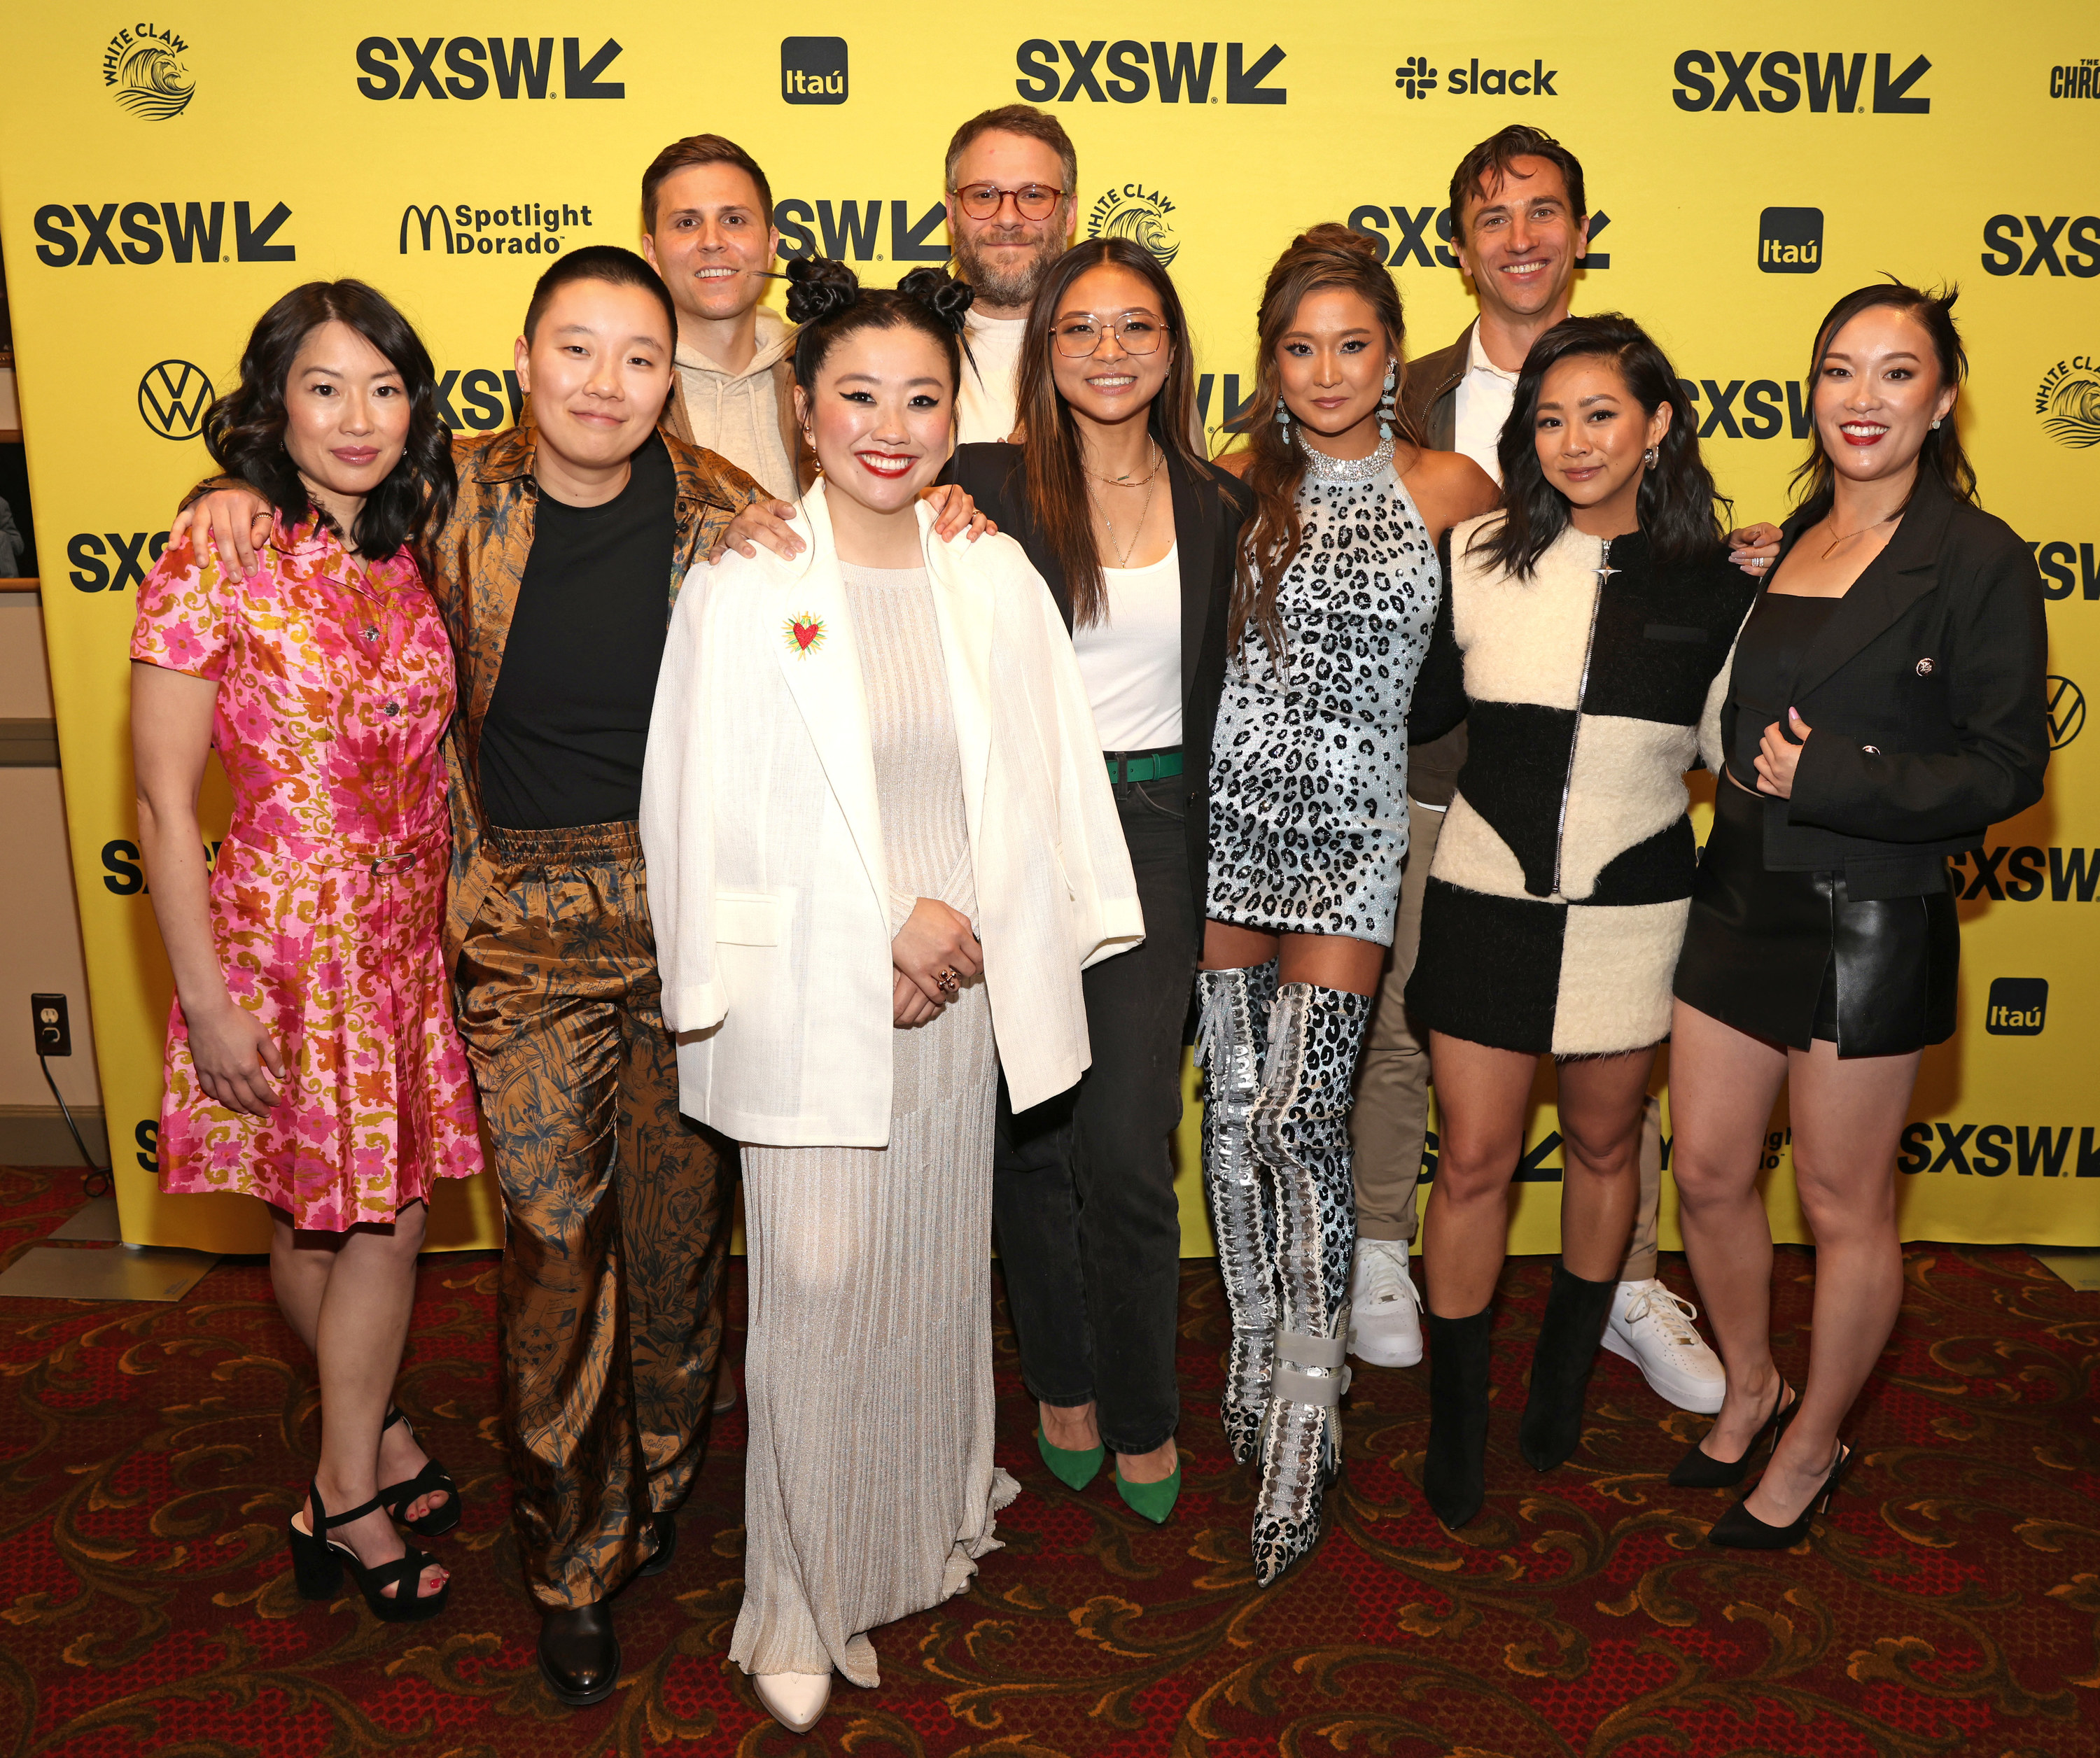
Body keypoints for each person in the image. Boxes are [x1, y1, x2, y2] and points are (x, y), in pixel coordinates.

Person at [174, 247, 771, 1707]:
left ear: (669, 376)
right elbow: (296, 499)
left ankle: (656, 1479)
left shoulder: (732, 516)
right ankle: (569, 1558)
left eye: (640, 358)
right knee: (558, 1249)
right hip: (516, 928)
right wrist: (224, 490)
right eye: (578, 350)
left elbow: (859, 609)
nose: (607, 384)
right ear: (523, 356)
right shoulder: (449, 501)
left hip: (694, 923)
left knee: (685, 1253)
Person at [640, 259, 1139, 1734]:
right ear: (804, 406)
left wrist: (970, 926)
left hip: (965, 986)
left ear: (956, 413)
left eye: (923, 396)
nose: (891, 423)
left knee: (926, 1273)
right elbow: (704, 811)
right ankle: (796, 1588)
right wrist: (879, 928)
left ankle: (918, 1523)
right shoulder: (743, 580)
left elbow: (1043, 776)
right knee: (810, 1288)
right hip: (814, 986)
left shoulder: (988, 567)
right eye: (858, 393)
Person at [1353, 125, 1730, 1414]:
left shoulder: (1625, 379)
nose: (1519, 236)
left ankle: (1621, 1279)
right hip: (1438, 787)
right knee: (1414, 1045)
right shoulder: (1394, 393)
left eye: (1544, 212)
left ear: (1579, 232)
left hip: (1615, 811)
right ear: (1458, 245)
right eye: (1492, 216)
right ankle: (1378, 1253)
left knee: (1612, 1090)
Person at [1669, 283, 2047, 1547]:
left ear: (1941, 400)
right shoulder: (1784, 545)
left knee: (1843, 1203)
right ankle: (1753, 1380)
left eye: (1898, 374)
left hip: (1869, 910)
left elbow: (2008, 770)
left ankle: (1817, 1437)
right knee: (1712, 1172)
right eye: (1841, 370)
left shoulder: (1977, 556)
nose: (1864, 399)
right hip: (1737, 891)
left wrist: (1829, 775)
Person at [132, 281, 478, 1623]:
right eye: (325, 387)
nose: (356, 417)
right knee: (335, 1218)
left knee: (369, 1220)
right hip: (282, 943)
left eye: (384, 388)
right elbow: (164, 805)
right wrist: (208, 1004)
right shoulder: (215, 553)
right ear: (275, 402)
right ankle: (344, 1491)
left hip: (401, 939)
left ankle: (363, 1435)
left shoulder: (411, 546)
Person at [1403, 314, 1760, 1532]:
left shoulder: (1722, 585)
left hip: (1635, 907)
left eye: (1601, 413)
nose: (1573, 439)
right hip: (1482, 894)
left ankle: (1559, 1378)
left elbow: (1733, 750)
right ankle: (1456, 1424)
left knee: (1611, 1151)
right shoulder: (1478, 550)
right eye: (1548, 418)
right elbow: (1409, 708)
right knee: (1474, 1162)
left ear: (1658, 426)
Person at [1200, 224, 1497, 1583]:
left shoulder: (1451, 485)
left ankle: (1311, 1402)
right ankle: (1256, 1349)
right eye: (1300, 346)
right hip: (1230, 823)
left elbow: (1563, 606)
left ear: (1393, 356)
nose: (1325, 370)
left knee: (1299, 1113)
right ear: (1270, 361)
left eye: (1353, 344)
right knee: (1228, 1116)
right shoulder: (1222, 487)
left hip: (1356, 830)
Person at [944, 238, 1249, 1525]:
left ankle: (1141, 1404)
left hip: (1163, 827)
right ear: (1044, 350)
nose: (1109, 351)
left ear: (1173, 350)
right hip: (1014, 828)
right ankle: (1059, 1381)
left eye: (1136, 327)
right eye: (1081, 328)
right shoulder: (975, 486)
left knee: (1126, 1139)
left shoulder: (1222, 502)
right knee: (1029, 1127)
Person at [640, 132, 815, 498]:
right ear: (652, 253)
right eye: (687, 223)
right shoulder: (612, 390)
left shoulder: (825, 369)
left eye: (734, 220)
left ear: (771, 244)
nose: (712, 240)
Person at [944, 104, 1079, 444]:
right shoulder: (894, 344)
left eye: (1033, 195)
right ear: (951, 213)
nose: (1007, 218)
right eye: (984, 195)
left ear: (1070, 213)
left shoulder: (1125, 353)